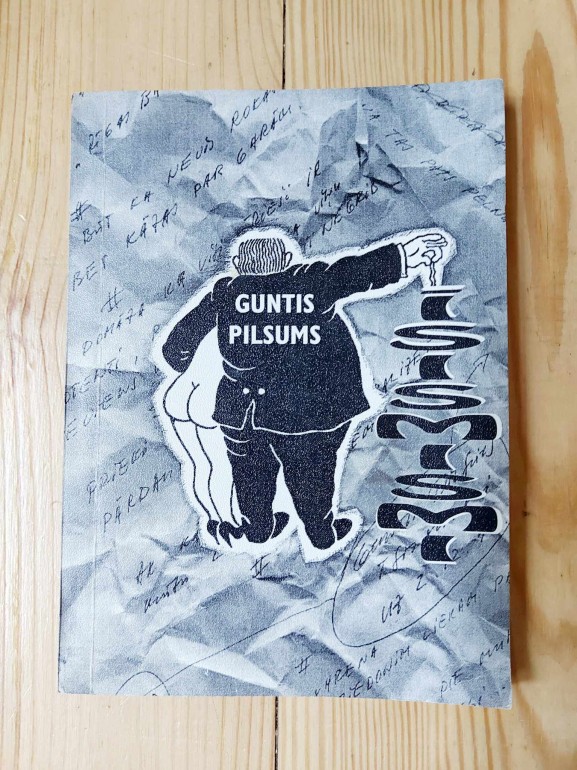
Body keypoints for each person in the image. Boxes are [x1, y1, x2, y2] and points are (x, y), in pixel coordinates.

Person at [161, 227, 450, 555]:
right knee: (312, 476)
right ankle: (321, 534)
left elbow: (174, 350)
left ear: (239, 265)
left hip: (241, 412)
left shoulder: (223, 293)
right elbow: (359, 271)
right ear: (287, 260)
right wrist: (408, 253)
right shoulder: (310, 282)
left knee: (250, 475)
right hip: (307, 413)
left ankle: (259, 530)